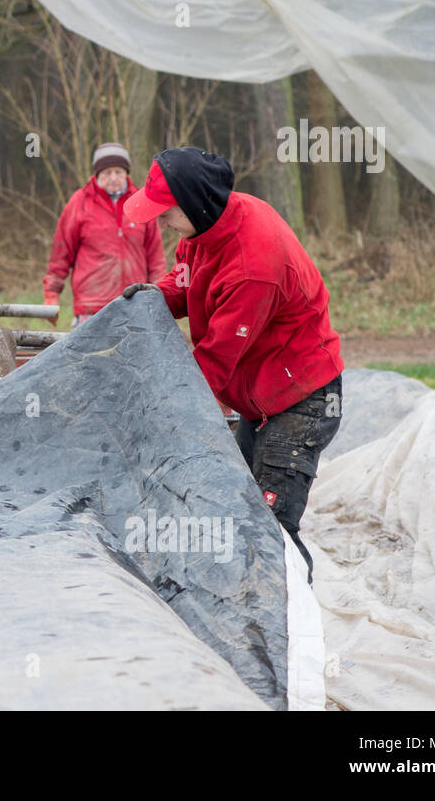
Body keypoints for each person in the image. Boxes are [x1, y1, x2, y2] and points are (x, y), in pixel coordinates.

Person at [121, 147, 343, 581]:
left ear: (192, 204)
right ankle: (238, 599)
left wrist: (155, 410)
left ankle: (288, 630)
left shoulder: (252, 268)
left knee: (271, 527)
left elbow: (213, 364)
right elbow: (187, 280)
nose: (161, 222)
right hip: (259, 397)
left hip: (299, 399)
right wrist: (152, 299)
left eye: (166, 212)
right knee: (233, 502)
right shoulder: (209, 227)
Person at [43, 142, 165, 328]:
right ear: (97, 174)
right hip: (91, 308)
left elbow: (155, 257)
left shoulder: (141, 204)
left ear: (127, 173)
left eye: (119, 172)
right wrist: (51, 294)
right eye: (107, 173)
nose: (114, 178)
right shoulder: (79, 203)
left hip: (134, 305)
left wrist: (160, 293)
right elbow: (61, 254)